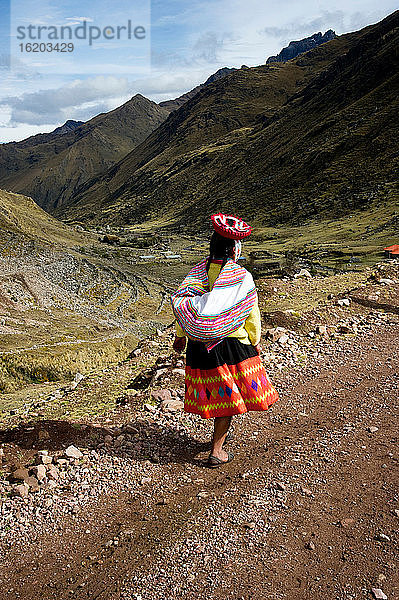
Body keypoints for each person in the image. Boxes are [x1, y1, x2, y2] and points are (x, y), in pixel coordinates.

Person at [171, 213, 278, 467]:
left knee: (219, 393)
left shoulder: (196, 274)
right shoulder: (241, 277)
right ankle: (216, 451)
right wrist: (255, 339)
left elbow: (187, 305)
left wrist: (180, 336)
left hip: (199, 345)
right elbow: (251, 313)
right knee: (228, 398)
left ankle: (218, 439)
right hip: (230, 345)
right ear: (234, 249)